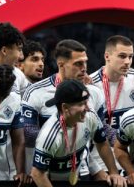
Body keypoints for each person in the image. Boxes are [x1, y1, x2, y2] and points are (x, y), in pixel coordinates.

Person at [31, 80, 127, 187]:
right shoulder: (50, 136)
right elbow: (37, 174)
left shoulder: (90, 117)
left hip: (80, 179)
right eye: (81, 104)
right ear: (65, 107)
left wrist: (114, 172)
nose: (87, 108)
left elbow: (102, 143)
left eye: (86, 102)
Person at [22, 39, 106, 178]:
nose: (84, 68)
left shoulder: (93, 92)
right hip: (46, 173)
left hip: (81, 170)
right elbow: (27, 132)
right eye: (78, 64)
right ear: (61, 64)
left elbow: (101, 129)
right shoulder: (35, 92)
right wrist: (60, 137)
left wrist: (122, 138)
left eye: (85, 62)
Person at [89, 35, 134, 150]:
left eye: (130, 57)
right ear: (107, 56)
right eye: (122, 56)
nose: (127, 62)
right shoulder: (91, 85)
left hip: (129, 153)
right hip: (99, 155)